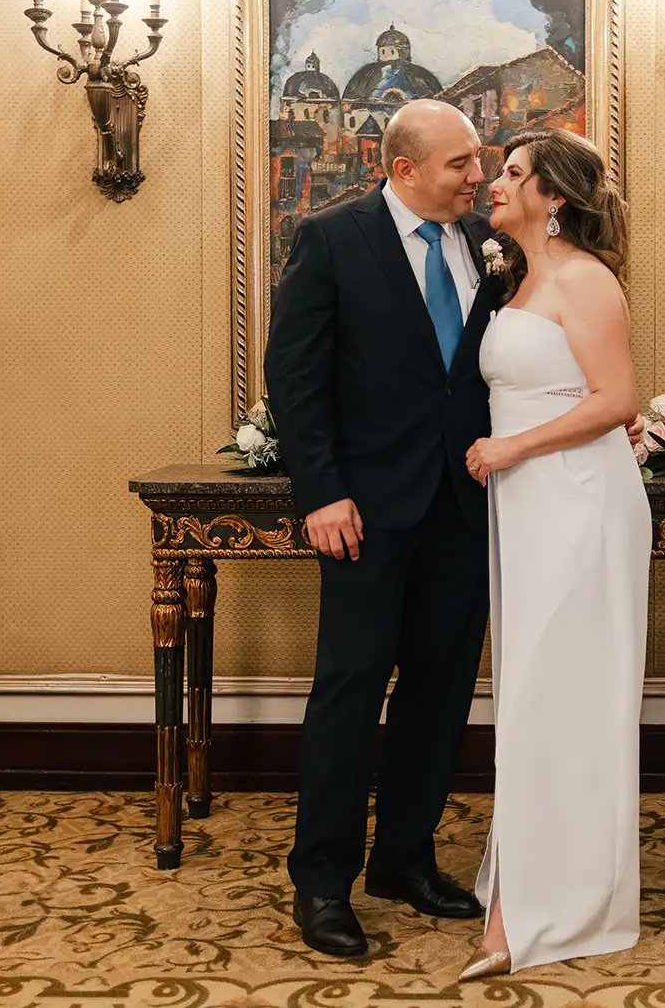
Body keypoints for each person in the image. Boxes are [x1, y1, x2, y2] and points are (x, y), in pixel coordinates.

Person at [263, 99, 498, 957]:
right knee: (350, 693)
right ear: (404, 169)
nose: (479, 176)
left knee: (439, 694)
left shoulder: (485, 248)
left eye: (478, 161)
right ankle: (322, 881)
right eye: (461, 164)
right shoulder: (332, 238)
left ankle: (404, 856)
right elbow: (294, 375)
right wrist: (321, 492)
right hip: (363, 511)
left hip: (465, 509)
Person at [459, 128, 650, 979]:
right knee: (534, 692)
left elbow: (616, 399)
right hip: (531, 510)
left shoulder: (586, 277)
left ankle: (533, 908)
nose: (493, 183)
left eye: (511, 173)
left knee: (562, 692)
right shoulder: (522, 275)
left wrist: (509, 449)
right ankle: (525, 883)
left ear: (553, 196)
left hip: (576, 502)